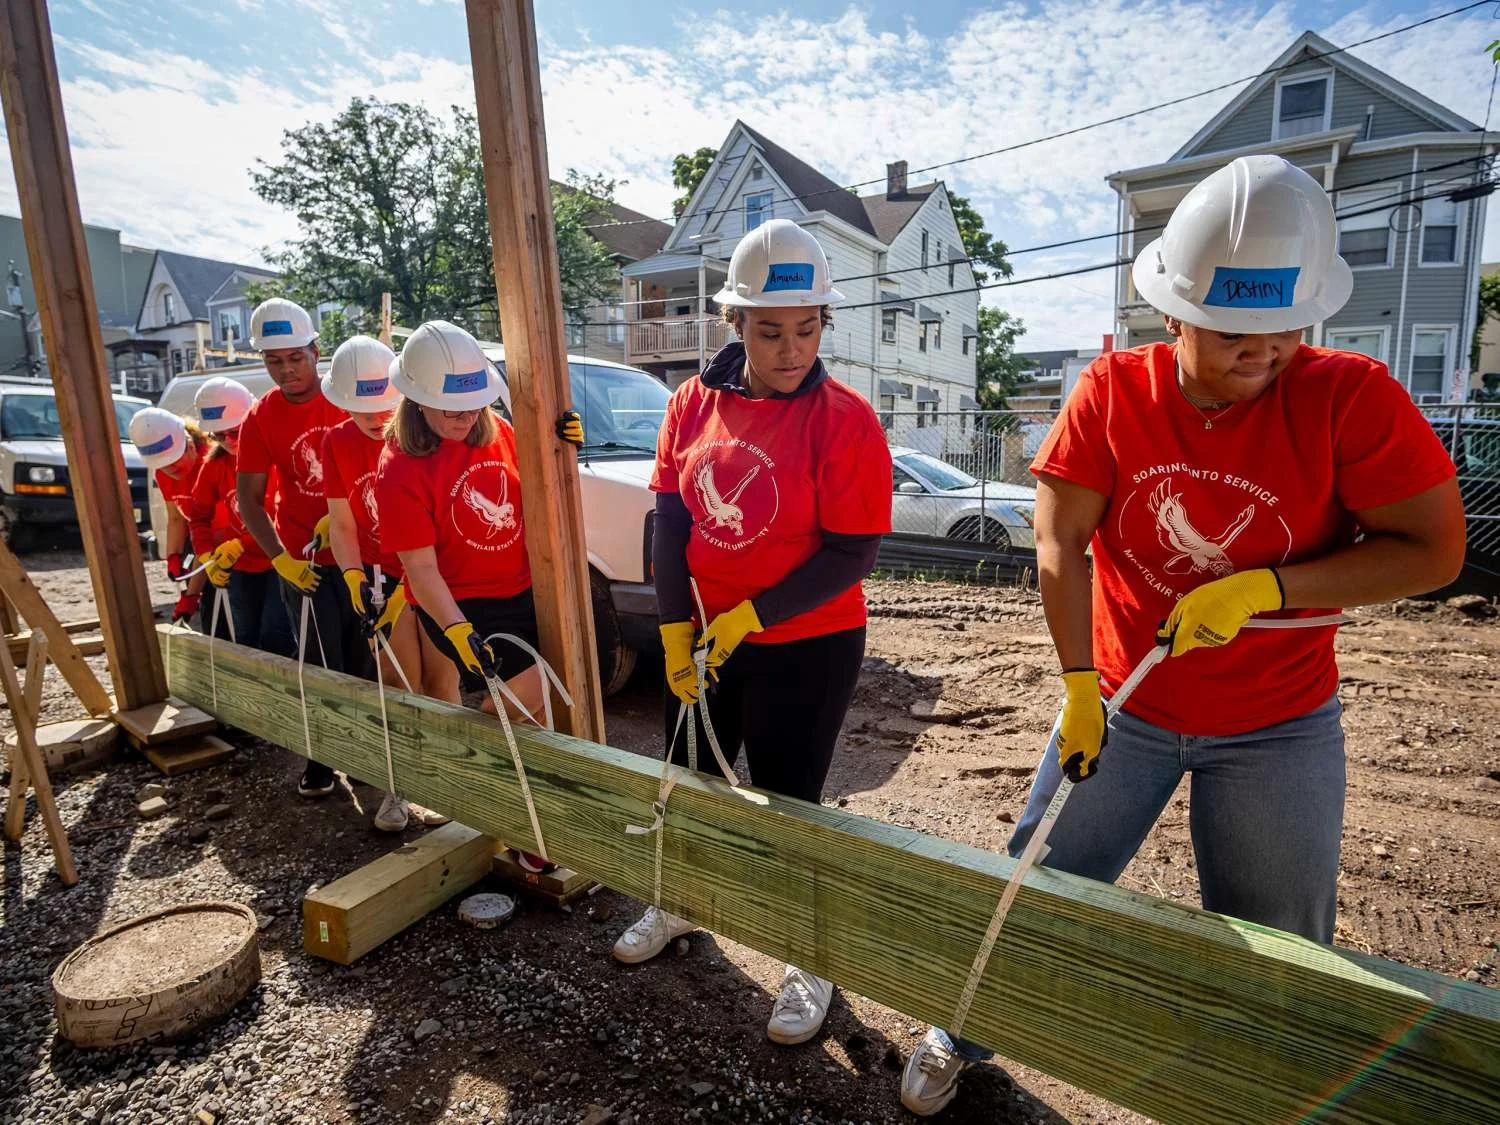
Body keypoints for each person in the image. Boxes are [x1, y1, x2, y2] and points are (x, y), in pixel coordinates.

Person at [900, 155, 1467, 1115]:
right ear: (1172, 311)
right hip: (1124, 701)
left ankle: (1262, 1092)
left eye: (1285, 325)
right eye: (1234, 331)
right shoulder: (1114, 394)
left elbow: (1433, 550)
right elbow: (1059, 540)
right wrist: (1079, 683)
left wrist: (1267, 588)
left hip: (1280, 721)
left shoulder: (1350, 396)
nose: (1267, 349)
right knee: (1039, 881)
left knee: (1279, 941)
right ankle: (964, 1026)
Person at [610, 219, 893, 1048]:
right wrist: (672, 631)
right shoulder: (691, 403)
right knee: (689, 774)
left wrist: (754, 615)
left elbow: (852, 553)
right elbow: (669, 524)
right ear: (734, 323)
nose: (791, 347)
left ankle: (811, 955)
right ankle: (683, 901)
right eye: (770, 329)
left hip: (806, 643)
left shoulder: (844, 419)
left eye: (807, 328)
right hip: (703, 637)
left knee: (787, 803)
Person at [375, 319, 583, 864]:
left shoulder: (500, 433)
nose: (466, 417)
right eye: (451, 409)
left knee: (543, 694)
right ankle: (519, 820)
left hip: (523, 588)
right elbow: (420, 569)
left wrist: (563, 454)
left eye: (473, 406)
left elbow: (543, 500)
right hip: (459, 603)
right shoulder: (398, 468)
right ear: (417, 399)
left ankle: (516, 813)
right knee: (520, 695)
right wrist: (458, 631)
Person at [321, 334, 445, 832]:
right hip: (380, 577)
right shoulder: (337, 443)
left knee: (442, 683)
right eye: (361, 409)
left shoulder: (423, 436)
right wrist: (352, 576)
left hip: (434, 573)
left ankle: (443, 787)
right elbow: (343, 522)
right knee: (396, 682)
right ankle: (397, 788)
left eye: (382, 407)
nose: (374, 419)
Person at [235, 297, 354, 798]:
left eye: (295, 358)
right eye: (274, 361)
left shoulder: (346, 397)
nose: (286, 370)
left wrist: (344, 511)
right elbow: (250, 498)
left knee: (363, 658)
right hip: (302, 560)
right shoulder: (261, 416)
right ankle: (322, 756)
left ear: (315, 350)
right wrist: (280, 558)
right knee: (314, 661)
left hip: (358, 554)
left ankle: (369, 755)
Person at [189, 378, 294, 655]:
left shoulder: (272, 458)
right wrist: (206, 556)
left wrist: (241, 543)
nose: (228, 442)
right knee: (243, 635)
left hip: (279, 561)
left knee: (276, 635)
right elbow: (197, 516)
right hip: (240, 568)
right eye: (218, 436)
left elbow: (280, 515)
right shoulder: (213, 466)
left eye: (234, 432)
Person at [127, 408, 213, 627]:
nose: (169, 469)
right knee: (212, 618)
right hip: (202, 547)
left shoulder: (210, 464)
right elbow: (175, 518)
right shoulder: (164, 473)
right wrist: (173, 556)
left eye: (174, 461)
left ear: (190, 445)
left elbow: (211, 537)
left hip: (223, 545)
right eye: (162, 465)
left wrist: (192, 593)